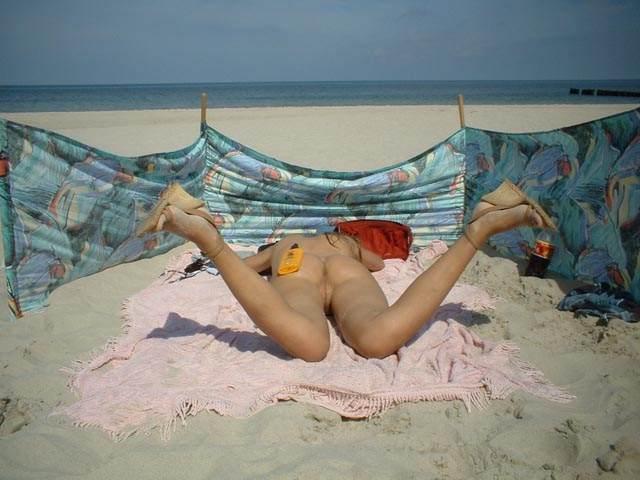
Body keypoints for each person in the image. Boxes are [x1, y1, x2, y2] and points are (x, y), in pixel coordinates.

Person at [138, 181, 556, 362]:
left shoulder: (285, 243)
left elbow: (247, 271)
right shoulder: (347, 242)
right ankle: (478, 229)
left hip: (295, 265)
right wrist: (352, 249)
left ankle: (208, 237)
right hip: (346, 267)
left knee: (310, 345)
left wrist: (240, 262)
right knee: (375, 338)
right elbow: (379, 264)